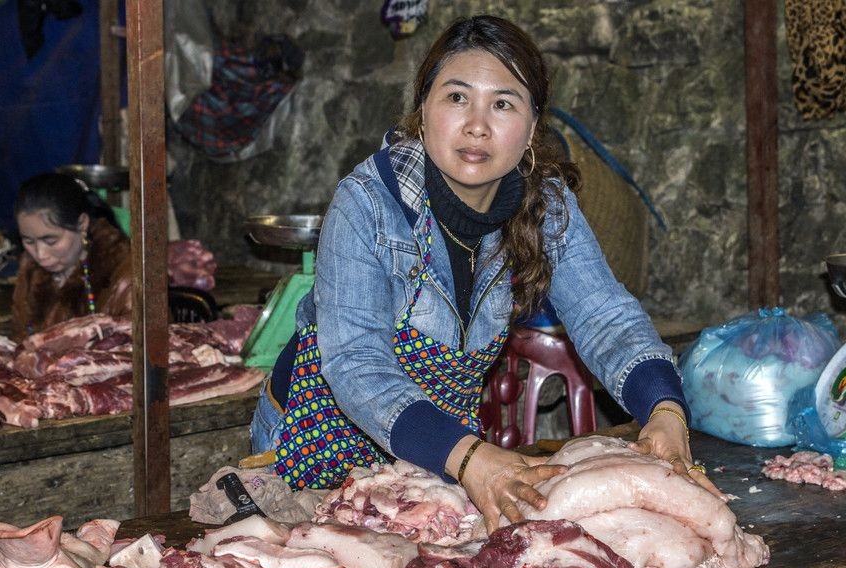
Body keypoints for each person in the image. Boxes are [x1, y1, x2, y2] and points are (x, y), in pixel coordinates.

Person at [249, 15, 722, 532]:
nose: (477, 124)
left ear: (531, 127)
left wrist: (665, 410)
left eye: (502, 103)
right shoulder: (367, 204)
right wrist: (471, 458)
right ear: (423, 111)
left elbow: (605, 316)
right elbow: (358, 366)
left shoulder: (548, 207)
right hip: (319, 438)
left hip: (442, 456)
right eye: (456, 98)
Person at [10, 172, 133, 340]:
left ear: (82, 224)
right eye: (29, 242)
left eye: (51, 241)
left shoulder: (125, 275)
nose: (40, 254)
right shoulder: (31, 272)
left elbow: (144, 350)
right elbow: (21, 341)